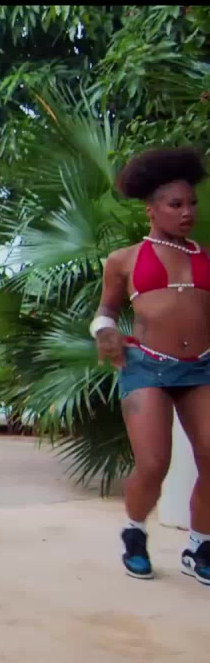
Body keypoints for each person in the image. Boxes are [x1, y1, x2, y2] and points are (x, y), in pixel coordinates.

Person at [92, 146, 210, 586]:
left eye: (191, 203)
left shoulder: (206, 256)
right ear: (151, 209)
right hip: (147, 367)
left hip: (201, 368)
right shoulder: (124, 260)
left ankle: (199, 546)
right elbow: (106, 310)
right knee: (154, 463)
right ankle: (135, 532)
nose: (187, 212)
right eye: (175, 204)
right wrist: (104, 332)